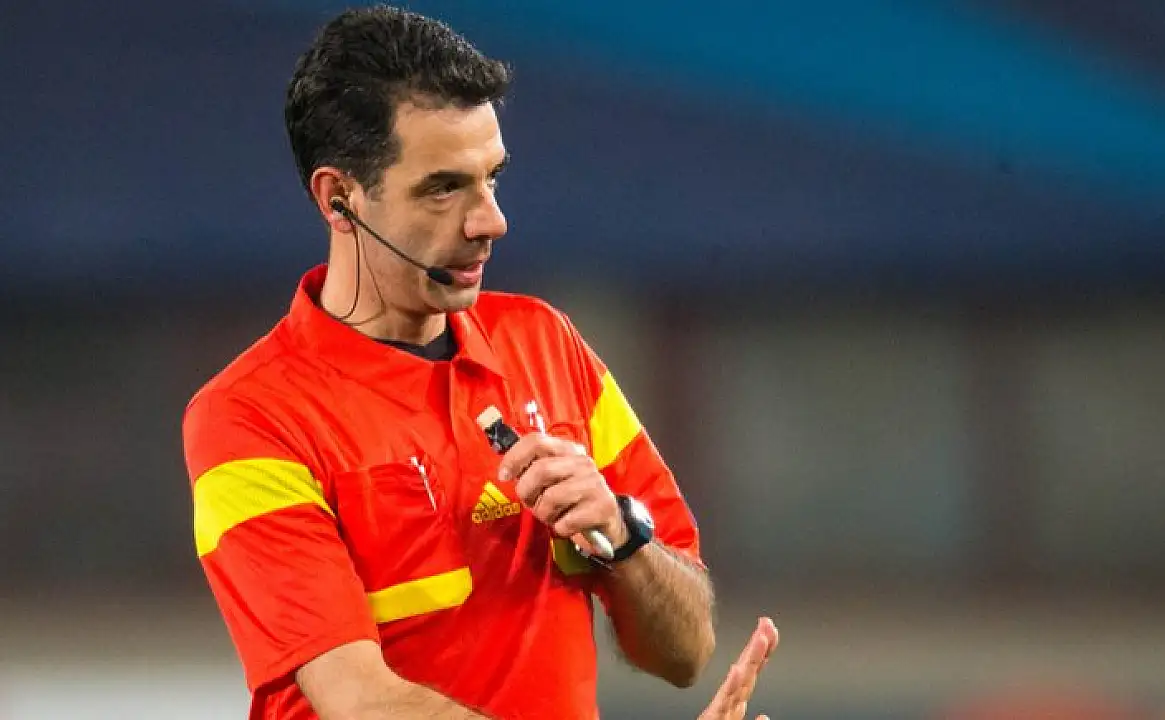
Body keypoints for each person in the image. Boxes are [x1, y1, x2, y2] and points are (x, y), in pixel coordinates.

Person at [182, 5, 778, 719]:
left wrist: (622, 537)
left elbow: (685, 650)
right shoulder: (249, 418)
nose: (491, 220)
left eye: (492, 178)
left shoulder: (546, 342)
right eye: (444, 188)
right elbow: (362, 702)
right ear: (340, 201)